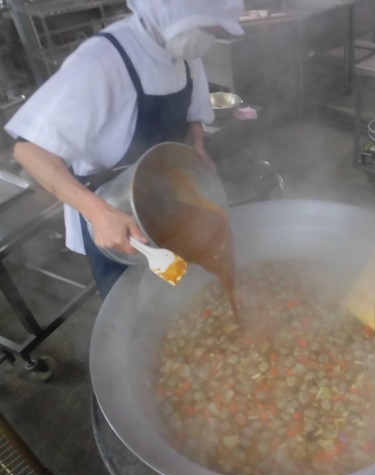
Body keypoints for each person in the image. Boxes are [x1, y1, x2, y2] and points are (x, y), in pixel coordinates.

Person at [4, 0, 244, 298]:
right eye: (210, 27)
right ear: (175, 13)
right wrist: (98, 212)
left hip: (167, 197)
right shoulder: (101, 61)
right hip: (114, 212)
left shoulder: (183, 49)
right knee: (129, 304)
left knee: (181, 292)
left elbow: (194, 116)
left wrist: (196, 149)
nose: (214, 35)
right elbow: (29, 151)